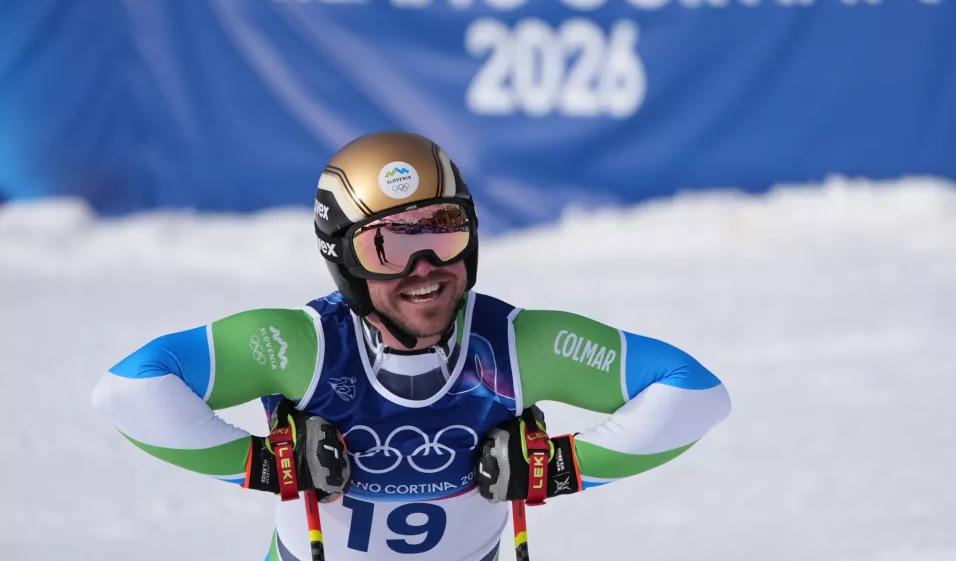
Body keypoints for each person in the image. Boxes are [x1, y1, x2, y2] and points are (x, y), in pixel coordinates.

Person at [92, 131, 731, 561]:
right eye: (389, 246)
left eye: (443, 232)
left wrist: (560, 467)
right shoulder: (301, 346)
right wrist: (264, 464)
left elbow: (695, 391)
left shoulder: (513, 346)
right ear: (344, 262)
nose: (424, 267)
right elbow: (129, 389)